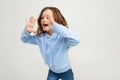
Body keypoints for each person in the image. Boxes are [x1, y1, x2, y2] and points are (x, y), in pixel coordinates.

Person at [21, 7, 80, 80]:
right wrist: (27, 31)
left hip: (66, 71)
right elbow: (24, 39)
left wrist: (56, 27)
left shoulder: (63, 37)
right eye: (42, 18)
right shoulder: (40, 38)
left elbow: (77, 40)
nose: (44, 19)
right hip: (52, 72)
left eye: (48, 17)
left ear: (56, 21)